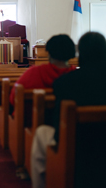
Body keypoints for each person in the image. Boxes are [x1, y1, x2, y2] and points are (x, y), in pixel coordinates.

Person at [31, 32, 106, 188]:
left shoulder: (65, 82)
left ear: (80, 54)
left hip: (76, 144)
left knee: (41, 133)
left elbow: (59, 122)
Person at [9, 34, 76, 106]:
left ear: (48, 53)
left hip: (28, 116)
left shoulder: (34, 72)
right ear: (72, 53)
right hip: (68, 117)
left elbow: (13, 98)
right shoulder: (77, 75)